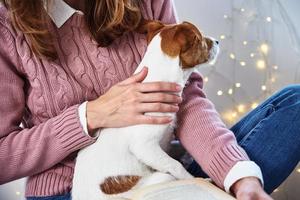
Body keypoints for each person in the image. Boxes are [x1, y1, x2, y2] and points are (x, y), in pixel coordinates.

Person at [0, 0, 298, 199]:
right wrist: (89, 117)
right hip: (75, 191)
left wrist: (238, 175)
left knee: (294, 105)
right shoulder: (7, 23)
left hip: (162, 172)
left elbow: (186, 99)